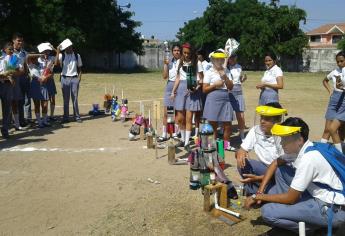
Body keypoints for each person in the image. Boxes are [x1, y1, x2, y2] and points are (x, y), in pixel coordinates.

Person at [245, 117, 345, 234]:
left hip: (333, 210)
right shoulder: (307, 147)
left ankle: (313, 229)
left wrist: (256, 197)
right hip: (324, 198)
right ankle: (299, 216)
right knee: (280, 170)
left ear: (299, 140)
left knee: (267, 211)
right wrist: (260, 191)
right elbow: (276, 163)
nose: (281, 143)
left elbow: (290, 198)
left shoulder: (308, 159)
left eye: (285, 139)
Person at [236, 103, 286, 196]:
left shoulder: (284, 137)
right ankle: (258, 190)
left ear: (278, 120)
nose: (262, 121)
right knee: (243, 164)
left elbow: (280, 169)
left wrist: (258, 178)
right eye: (261, 117)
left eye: (267, 119)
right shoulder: (255, 130)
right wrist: (241, 153)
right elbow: (241, 150)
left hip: (279, 174)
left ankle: (261, 190)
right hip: (263, 169)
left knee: (274, 193)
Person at [171, 43, 203, 151]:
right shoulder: (180, 61)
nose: (186, 54)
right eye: (184, 52)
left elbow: (201, 79)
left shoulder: (197, 62)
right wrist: (173, 91)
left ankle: (186, 143)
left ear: (192, 52)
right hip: (181, 90)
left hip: (192, 90)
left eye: (188, 53)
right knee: (180, 118)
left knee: (189, 118)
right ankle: (183, 139)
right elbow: (178, 78)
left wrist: (195, 87)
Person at [202, 49, 234, 150]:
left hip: (225, 99)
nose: (219, 61)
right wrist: (215, 85)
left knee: (227, 124)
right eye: (217, 59)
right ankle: (213, 145)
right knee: (213, 124)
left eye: (221, 59)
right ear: (213, 60)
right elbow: (204, 89)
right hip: (213, 99)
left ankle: (226, 145)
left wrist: (224, 76)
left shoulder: (227, 71)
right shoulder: (209, 72)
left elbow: (230, 87)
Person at [321, 51, 345, 153]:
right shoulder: (335, 71)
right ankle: (321, 151)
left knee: (338, 130)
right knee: (327, 129)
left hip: (343, 101)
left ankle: (340, 155)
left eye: (342, 61)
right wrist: (330, 91)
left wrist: (342, 86)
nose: (339, 63)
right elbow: (325, 80)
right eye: (337, 61)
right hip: (334, 100)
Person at [54, 39, 83, 123]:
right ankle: (66, 117)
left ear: (71, 46)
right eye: (67, 47)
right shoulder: (61, 55)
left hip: (74, 78)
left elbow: (80, 68)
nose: (69, 48)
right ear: (65, 48)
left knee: (75, 99)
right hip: (64, 78)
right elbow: (55, 63)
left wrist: (79, 78)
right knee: (65, 99)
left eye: (70, 47)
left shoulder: (77, 56)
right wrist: (58, 50)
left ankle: (77, 116)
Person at [158, 44, 181, 142]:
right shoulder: (168, 61)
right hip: (169, 87)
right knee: (167, 112)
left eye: (178, 50)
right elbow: (164, 76)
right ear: (172, 52)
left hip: (180, 87)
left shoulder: (183, 61)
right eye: (175, 50)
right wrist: (165, 65)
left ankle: (175, 133)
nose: (177, 52)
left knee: (177, 113)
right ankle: (164, 134)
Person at [27, 53, 51, 128]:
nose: (34, 59)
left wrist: (46, 77)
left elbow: (50, 72)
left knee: (45, 104)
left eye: (35, 58)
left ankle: (44, 121)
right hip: (35, 84)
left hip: (43, 84)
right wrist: (39, 54)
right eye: (33, 58)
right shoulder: (30, 65)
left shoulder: (42, 63)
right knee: (37, 105)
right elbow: (28, 56)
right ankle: (39, 122)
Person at [227, 54, 247, 140]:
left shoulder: (239, 67)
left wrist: (243, 79)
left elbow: (239, 80)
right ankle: (227, 134)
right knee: (228, 115)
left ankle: (242, 136)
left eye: (234, 57)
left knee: (240, 115)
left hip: (238, 91)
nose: (232, 59)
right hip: (229, 91)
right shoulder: (226, 67)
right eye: (230, 57)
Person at [12, 33, 31, 127]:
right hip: (14, 77)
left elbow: (26, 64)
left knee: (24, 100)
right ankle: (15, 121)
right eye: (18, 40)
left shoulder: (24, 52)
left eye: (21, 41)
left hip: (23, 78)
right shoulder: (8, 52)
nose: (20, 42)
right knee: (15, 100)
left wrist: (27, 74)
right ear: (13, 41)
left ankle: (24, 119)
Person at [0, 43, 17, 138]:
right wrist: (5, 75)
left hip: (7, 86)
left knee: (7, 108)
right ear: (4, 49)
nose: (11, 51)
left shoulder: (13, 58)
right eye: (10, 49)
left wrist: (10, 76)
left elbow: (12, 71)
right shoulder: (1, 57)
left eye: (12, 49)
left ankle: (5, 130)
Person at [37, 43, 57, 121]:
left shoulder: (52, 58)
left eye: (48, 51)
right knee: (44, 99)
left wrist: (54, 48)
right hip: (41, 81)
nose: (46, 53)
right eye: (44, 51)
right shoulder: (37, 59)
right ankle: (45, 117)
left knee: (52, 98)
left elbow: (59, 57)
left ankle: (51, 116)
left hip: (50, 80)